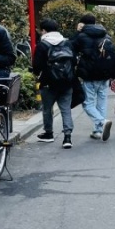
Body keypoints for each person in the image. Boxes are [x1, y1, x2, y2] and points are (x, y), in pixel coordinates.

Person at [71, 13, 115, 141]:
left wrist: (77, 32)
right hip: (104, 75)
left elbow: (70, 46)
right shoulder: (106, 35)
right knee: (102, 102)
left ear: (83, 24)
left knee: (88, 103)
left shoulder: (82, 36)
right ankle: (98, 131)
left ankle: (101, 122)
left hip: (89, 75)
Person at [32, 19, 74, 148]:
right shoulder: (67, 43)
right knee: (66, 109)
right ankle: (67, 137)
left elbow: (37, 66)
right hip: (67, 81)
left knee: (47, 109)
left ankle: (48, 134)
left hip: (48, 82)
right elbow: (74, 61)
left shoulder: (42, 45)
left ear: (43, 30)